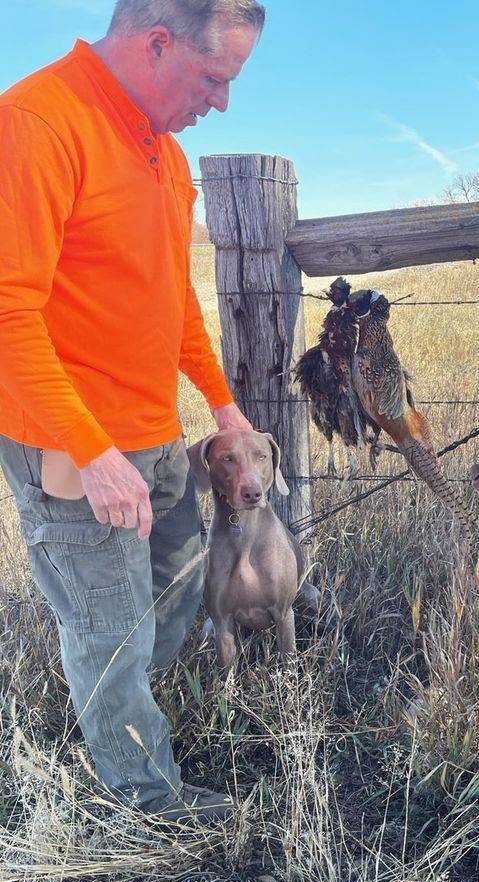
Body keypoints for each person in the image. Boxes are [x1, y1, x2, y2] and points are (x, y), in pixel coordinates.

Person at [0, 0, 266, 822]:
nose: (221, 101)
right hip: (72, 444)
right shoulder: (38, 123)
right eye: (215, 78)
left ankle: (124, 720)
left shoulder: (167, 155)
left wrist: (222, 406)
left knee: (179, 589)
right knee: (108, 624)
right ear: (158, 43)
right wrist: (88, 448)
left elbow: (171, 293)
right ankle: (144, 797)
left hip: (155, 433)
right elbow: (8, 311)